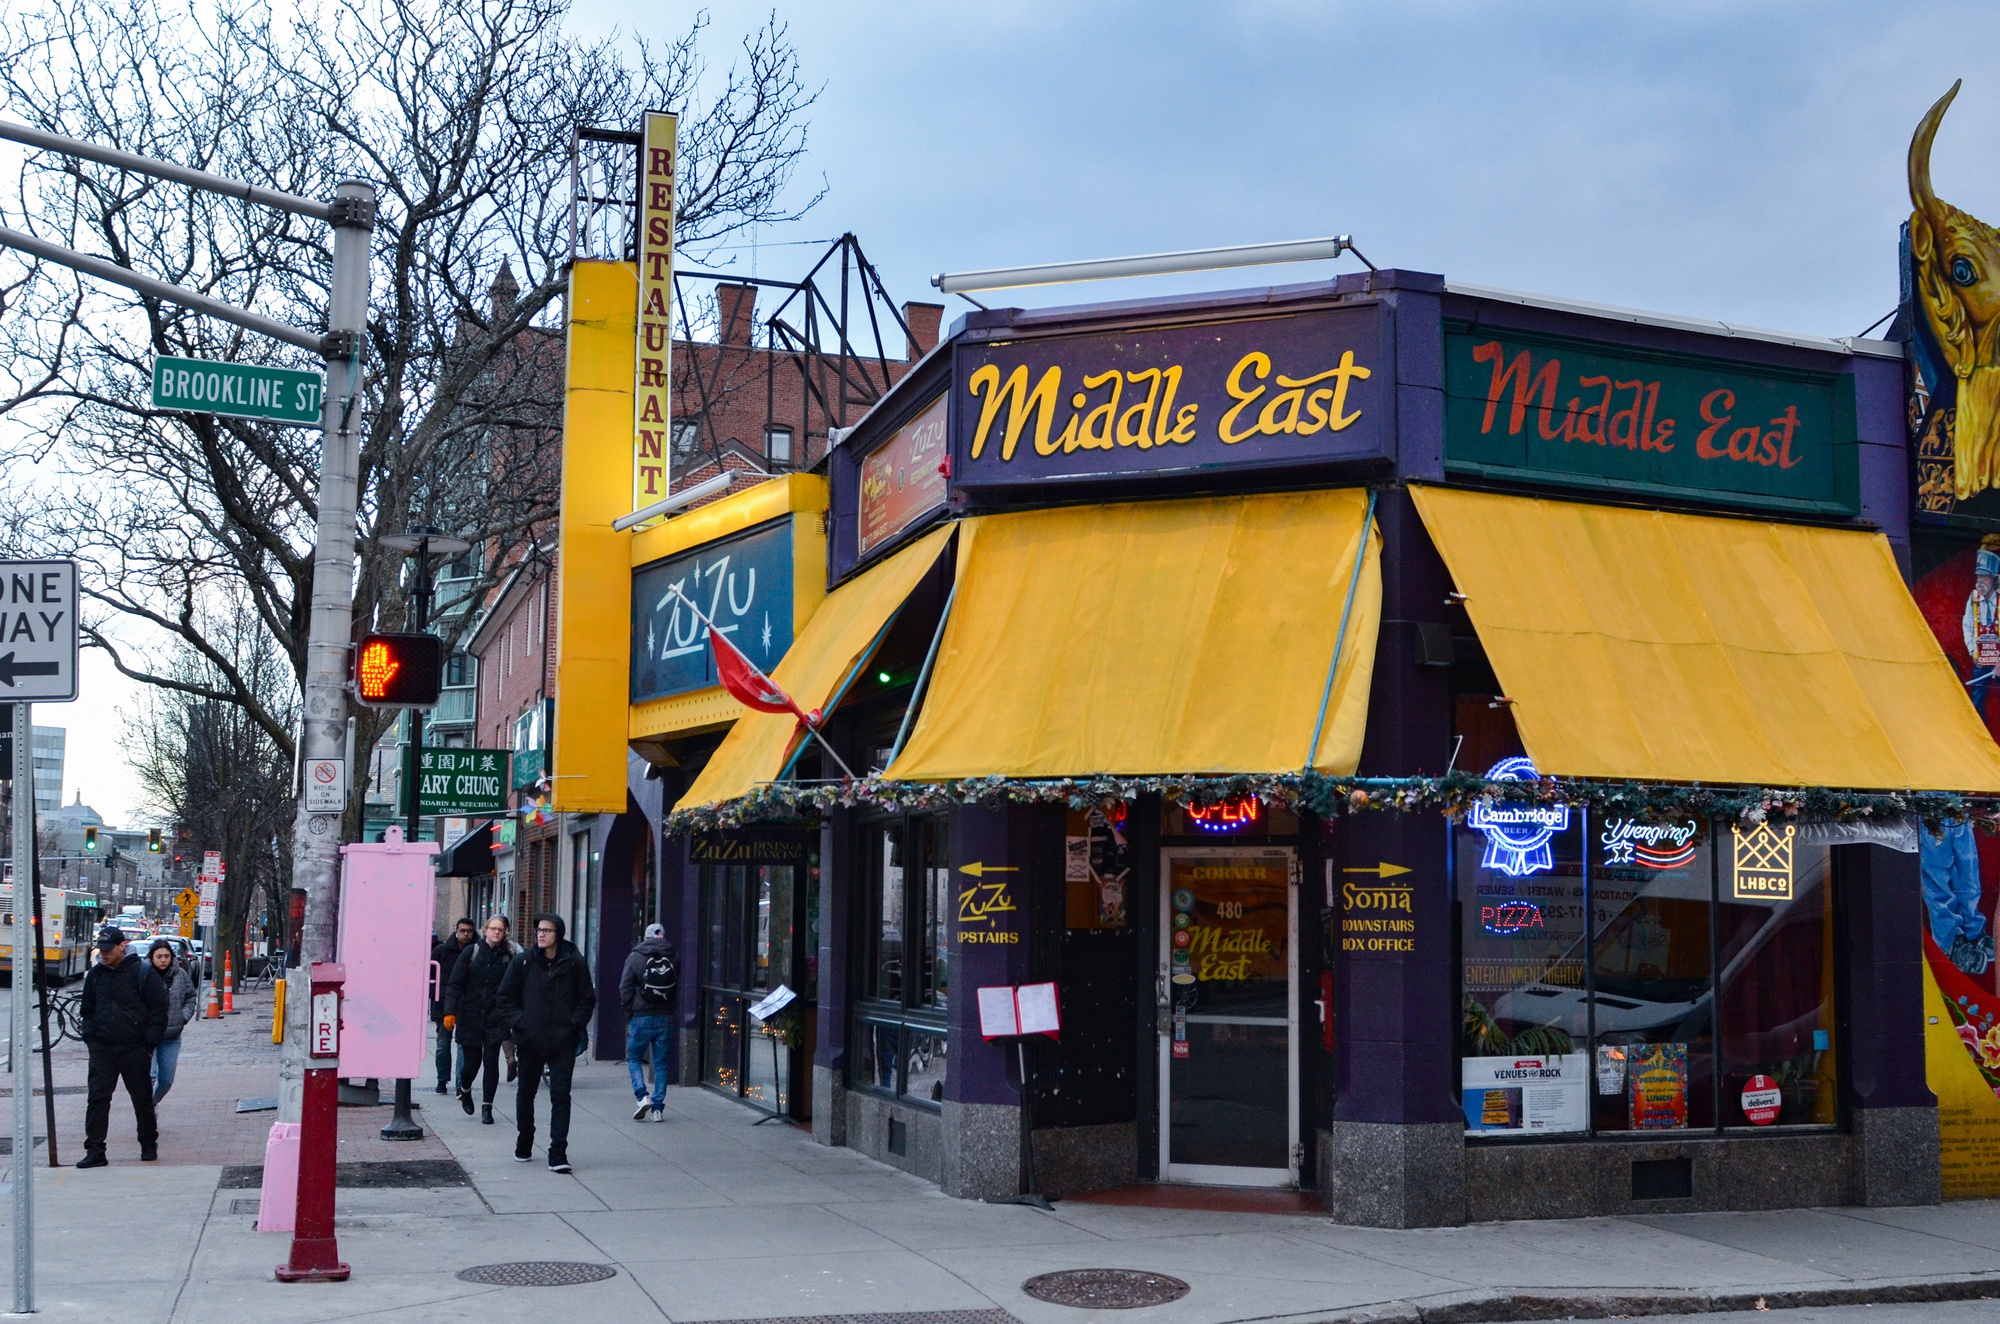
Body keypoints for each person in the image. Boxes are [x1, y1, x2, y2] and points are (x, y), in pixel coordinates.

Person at [494, 914, 595, 1173]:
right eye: (539, 930)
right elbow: (505, 997)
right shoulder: (523, 961)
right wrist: (521, 1022)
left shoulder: (575, 963)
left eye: (547, 931)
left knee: (560, 1096)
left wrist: (574, 1024)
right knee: (526, 1094)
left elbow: (587, 999)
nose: (541, 934)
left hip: (562, 1042)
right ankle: (525, 1139)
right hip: (530, 1041)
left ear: (558, 935)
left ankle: (558, 1152)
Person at [76, 926, 167, 1167]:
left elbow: (159, 1009)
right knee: (98, 1098)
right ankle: (95, 1149)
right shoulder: (96, 975)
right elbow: (87, 1010)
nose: (104, 954)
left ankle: (148, 1143)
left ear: (121, 947)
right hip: (103, 1048)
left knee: (142, 1098)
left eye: (108, 949)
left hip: (135, 1047)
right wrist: (91, 1039)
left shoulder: (142, 973)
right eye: (101, 950)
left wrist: (149, 1044)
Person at [445, 915, 516, 1124]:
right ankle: (465, 1089)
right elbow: (455, 983)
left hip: (496, 1016)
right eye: (493, 928)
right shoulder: (471, 952)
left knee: (491, 1062)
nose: (496, 932)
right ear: (485, 930)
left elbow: (514, 988)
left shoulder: (507, 957)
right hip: (470, 1015)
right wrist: (450, 1012)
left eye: (500, 930)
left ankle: (487, 1106)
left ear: (504, 934)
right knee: (471, 1064)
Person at [619, 922, 679, 1122]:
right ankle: (658, 1109)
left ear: (645, 938)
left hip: (641, 1016)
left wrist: (629, 1014)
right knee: (661, 1063)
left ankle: (642, 1096)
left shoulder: (636, 956)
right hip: (665, 1017)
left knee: (634, 1057)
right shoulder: (673, 956)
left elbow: (625, 988)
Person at [147, 938, 199, 1102]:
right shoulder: (144, 975)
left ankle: (152, 1103)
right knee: (149, 1076)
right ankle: (146, 1113)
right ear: (151, 958)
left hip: (171, 1035)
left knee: (166, 1081)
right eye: (159, 956)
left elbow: (191, 997)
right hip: (147, 1036)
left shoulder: (180, 975)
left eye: (166, 956)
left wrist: (183, 1016)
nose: (163, 960)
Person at [430, 917, 475, 1093]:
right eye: (462, 930)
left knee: (463, 1046)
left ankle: (460, 1084)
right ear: (456, 931)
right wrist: (434, 993)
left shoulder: (476, 951)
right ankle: (442, 1080)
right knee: (442, 1045)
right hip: (443, 1003)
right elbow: (430, 974)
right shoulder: (442, 951)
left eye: (469, 931)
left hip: (467, 1005)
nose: (466, 934)